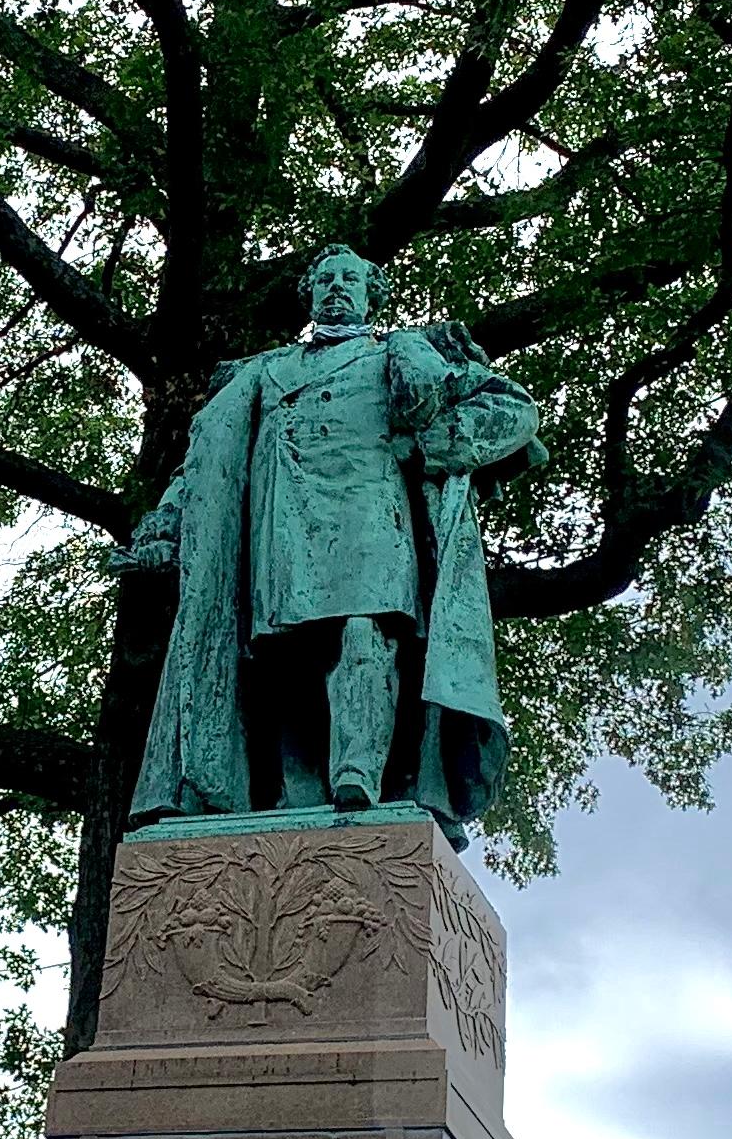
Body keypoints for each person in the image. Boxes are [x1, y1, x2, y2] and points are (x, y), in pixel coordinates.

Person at [115, 247, 540, 835]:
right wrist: (166, 525)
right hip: (283, 534)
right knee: (288, 659)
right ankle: (299, 798)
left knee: (366, 633)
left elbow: (514, 408)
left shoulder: (403, 353)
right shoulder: (263, 371)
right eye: (326, 280)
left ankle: (358, 772)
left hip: (374, 522)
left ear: (374, 294)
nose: (338, 288)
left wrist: (437, 445)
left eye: (351, 280)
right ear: (310, 293)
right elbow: (207, 462)